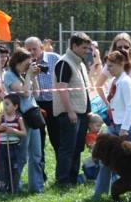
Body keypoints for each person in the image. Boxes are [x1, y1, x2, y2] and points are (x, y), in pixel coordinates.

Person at [94, 50, 131, 198]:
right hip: (114, 126)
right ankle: (100, 192)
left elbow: (130, 107)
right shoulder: (115, 81)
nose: (108, 69)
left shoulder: (126, 82)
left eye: (111, 66)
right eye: (107, 66)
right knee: (105, 159)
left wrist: (124, 128)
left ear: (121, 64)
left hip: (126, 127)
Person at [95, 33, 131, 143]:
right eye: (119, 47)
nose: (123, 49)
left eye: (126, 47)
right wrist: (108, 104)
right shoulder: (113, 75)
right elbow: (98, 85)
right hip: (117, 115)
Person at [53, 32, 92, 186]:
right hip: (69, 114)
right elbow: (61, 88)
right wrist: (70, 111)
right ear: (74, 46)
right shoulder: (64, 63)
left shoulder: (80, 63)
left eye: (88, 48)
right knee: (68, 149)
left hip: (81, 114)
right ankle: (62, 181)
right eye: (84, 47)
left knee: (77, 148)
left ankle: (73, 178)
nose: (86, 51)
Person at [4, 48, 45, 193]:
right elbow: (25, 93)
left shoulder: (23, 76)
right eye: (26, 64)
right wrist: (28, 75)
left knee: (36, 155)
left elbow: (37, 94)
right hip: (20, 119)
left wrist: (33, 77)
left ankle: (37, 187)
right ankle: (15, 187)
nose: (29, 67)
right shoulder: (9, 76)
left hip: (32, 118)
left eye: (30, 64)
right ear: (17, 62)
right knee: (21, 156)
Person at [24, 36, 61, 172]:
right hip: (35, 104)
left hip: (54, 103)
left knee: (57, 138)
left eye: (34, 49)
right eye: (29, 50)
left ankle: (60, 172)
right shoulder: (23, 61)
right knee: (38, 141)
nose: (32, 52)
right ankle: (40, 174)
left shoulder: (55, 58)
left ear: (41, 47)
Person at [0, 93, 27, 193]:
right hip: (2, 147)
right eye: (3, 104)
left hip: (14, 148)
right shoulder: (1, 117)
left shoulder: (18, 119)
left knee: (14, 169)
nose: (4, 107)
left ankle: (14, 189)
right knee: (2, 168)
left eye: (7, 104)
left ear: (15, 106)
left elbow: (24, 133)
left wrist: (13, 131)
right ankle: (2, 189)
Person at [82, 113, 103, 181]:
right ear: (90, 125)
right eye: (97, 126)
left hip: (99, 154)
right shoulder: (90, 135)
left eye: (100, 126)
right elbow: (91, 145)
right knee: (96, 166)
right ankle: (93, 177)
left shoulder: (97, 134)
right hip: (95, 155)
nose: (99, 128)